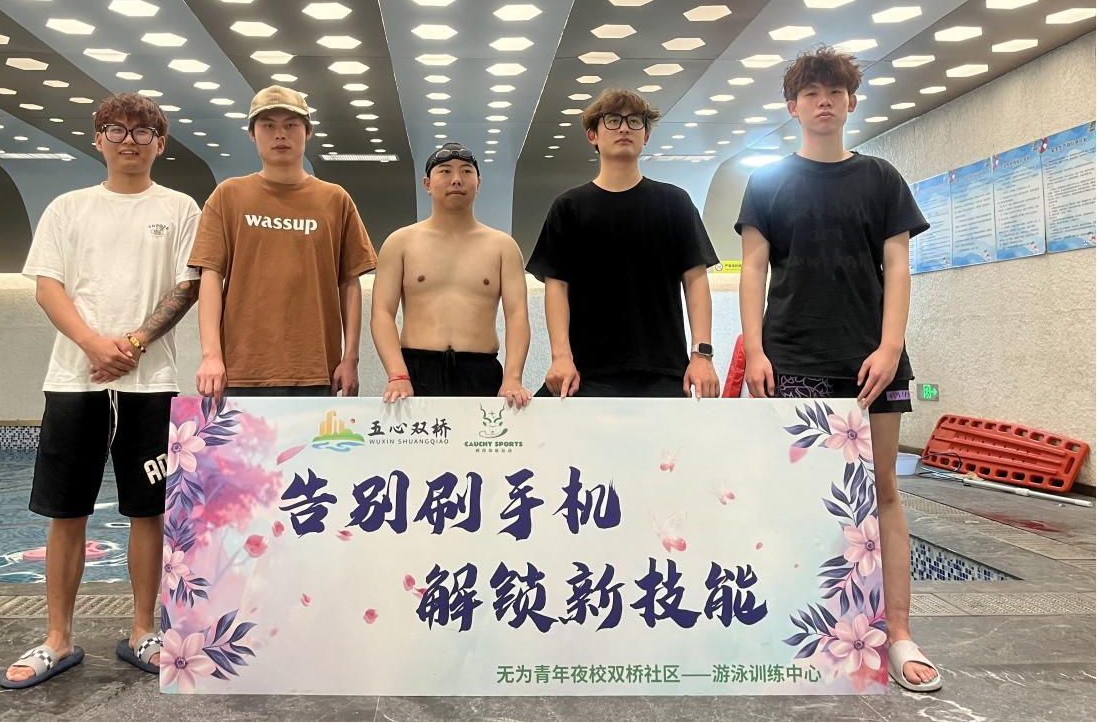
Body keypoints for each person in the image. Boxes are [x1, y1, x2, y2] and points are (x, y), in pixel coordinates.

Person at [736, 46, 940, 691]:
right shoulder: (767, 181)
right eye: (811, 93)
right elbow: (753, 269)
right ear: (792, 106)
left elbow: (898, 265)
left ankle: (897, 633)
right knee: (793, 492)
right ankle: (785, 624)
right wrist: (755, 350)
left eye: (834, 92)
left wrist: (890, 345)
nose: (823, 101)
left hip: (871, 359)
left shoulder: (880, 178)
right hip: (792, 355)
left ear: (851, 102)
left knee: (883, 490)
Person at [4, 93, 200, 688]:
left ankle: (143, 630)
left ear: (160, 143)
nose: (129, 140)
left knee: (149, 510)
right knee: (67, 510)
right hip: (74, 379)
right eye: (116, 130)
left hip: (152, 382)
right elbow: (48, 287)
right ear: (98, 139)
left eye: (142, 132)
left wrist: (134, 343)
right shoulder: (68, 208)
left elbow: (188, 286)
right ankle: (58, 639)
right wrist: (93, 344)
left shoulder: (181, 208)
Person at [527, 88, 720, 399]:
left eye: (635, 121)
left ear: (646, 136)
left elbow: (695, 280)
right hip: (586, 374)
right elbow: (556, 286)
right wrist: (561, 357)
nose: (624, 128)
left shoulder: (675, 203)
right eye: (613, 120)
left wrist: (702, 356)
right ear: (592, 135)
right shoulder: (569, 207)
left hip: (664, 371)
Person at [190, 85, 377, 398]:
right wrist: (211, 355)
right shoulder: (228, 195)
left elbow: (349, 282)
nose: (280, 134)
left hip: (317, 369)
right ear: (252, 134)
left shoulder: (335, 199)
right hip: (240, 370)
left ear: (308, 132)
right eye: (268, 125)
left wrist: (351, 358)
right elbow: (210, 275)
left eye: (291, 124)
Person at [371, 142, 531, 406]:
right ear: (427, 184)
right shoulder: (400, 242)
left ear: (479, 183)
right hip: (416, 370)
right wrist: (397, 374)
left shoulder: (503, 246)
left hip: (480, 370)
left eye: (466, 171)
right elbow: (382, 313)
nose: (457, 179)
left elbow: (517, 315)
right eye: (445, 171)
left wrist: (513, 378)